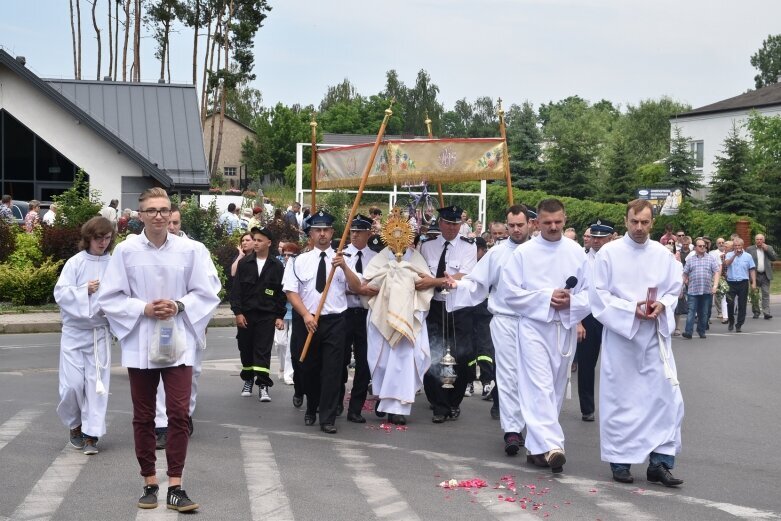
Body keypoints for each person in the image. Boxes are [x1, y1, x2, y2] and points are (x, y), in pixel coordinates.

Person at [98, 187, 221, 512]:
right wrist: (143, 309)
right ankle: (149, 480)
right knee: (144, 416)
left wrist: (180, 305)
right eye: (151, 210)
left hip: (177, 342)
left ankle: (176, 485)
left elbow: (207, 292)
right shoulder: (126, 252)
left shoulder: (190, 250)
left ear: (171, 214)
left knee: (179, 413)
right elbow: (109, 296)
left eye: (163, 210)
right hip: (141, 341)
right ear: (140, 216)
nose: (158, 215)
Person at [591, 198, 685, 487]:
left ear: (652, 222)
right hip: (623, 338)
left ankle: (660, 463)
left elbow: (673, 289)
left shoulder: (662, 254)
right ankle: (621, 461)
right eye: (635, 221)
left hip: (654, 336)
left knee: (666, 400)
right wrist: (632, 308)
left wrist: (662, 306)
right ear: (626, 220)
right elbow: (599, 296)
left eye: (645, 222)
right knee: (623, 401)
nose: (640, 227)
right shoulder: (608, 253)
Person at [501, 198, 590, 473]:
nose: (553, 227)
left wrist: (571, 304)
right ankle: (554, 446)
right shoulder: (524, 254)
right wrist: (545, 298)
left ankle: (537, 449)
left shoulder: (576, 252)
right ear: (536, 223)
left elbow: (592, 294)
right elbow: (509, 293)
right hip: (534, 327)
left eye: (558, 222)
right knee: (538, 385)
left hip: (563, 327)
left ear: (565, 220)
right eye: (547, 222)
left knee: (554, 389)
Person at [447, 205, 531, 456]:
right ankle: (512, 430)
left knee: (535, 378)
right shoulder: (496, 253)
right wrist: (457, 284)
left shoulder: (541, 251)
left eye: (520, 225)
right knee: (507, 376)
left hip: (536, 323)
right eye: (511, 225)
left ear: (530, 225)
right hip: (505, 321)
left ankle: (537, 429)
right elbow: (477, 283)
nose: (516, 230)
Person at [283, 211, 361, 434]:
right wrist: (306, 315)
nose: (322, 234)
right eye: (318, 230)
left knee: (332, 371)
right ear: (310, 234)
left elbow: (357, 288)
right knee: (308, 368)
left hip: (335, 321)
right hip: (307, 320)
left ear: (332, 233)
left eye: (326, 230)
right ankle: (312, 407)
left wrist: (344, 267)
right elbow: (291, 291)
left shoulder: (341, 259)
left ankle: (327, 418)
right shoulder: (299, 261)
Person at [363, 213, 434, 425]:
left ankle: (398, 409)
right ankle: (383, 398)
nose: (398, 240)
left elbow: (426, 283)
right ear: (387, 237)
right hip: (383, 317)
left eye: (402, 235)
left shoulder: (416, 258)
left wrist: (411, 278)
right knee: (382, 362)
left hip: (409, 317)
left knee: (404, 363)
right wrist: (388, 275)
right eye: (394, 235)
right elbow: (369, 282)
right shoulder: (381, 258)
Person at [54, 216, 115, 455]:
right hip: (74, 332)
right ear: (88, 237)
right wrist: (84, 290)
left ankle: (91, 435)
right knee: (72, 385)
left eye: (107, 238)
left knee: (96, 387)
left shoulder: (114, 263)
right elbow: (61, 292)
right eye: (98, 238)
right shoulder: (75, 263)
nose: (103, 243)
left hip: (99, 333)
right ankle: (75, 425)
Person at [417, 205, 477, 423]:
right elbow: (419, 275)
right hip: (435, 306)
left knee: (460, 356)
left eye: (456, 224)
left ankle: (454, 401)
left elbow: (464, 275)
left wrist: (435, 281)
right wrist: (437, 282)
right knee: (434, 353)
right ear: (440, 223)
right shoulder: (427, 246)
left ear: (461, 225)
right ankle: (439, 405)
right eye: (448, 223)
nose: (452, 228)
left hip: (458, 307)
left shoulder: (468, 247)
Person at [231, 227, 287, 401]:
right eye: (254, 239)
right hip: (246, 315)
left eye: (259, 240)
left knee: (263, 350)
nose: (255, 243)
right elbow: (236, 291)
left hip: (266, 315)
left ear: (269, 243)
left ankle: (263, 385)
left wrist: (279, 316)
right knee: (246, 349)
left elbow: (281, 293)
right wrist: (238, 313)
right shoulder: (244, 263)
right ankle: (248, 380)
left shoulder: (277, 266)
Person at [338, 215, 377, 423]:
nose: (354, 234)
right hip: (344, 312)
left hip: (366, 314)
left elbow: (376, 286)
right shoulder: (340, 255)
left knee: (364, 362)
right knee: (339, 359)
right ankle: (336, 401)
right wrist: (359, 288)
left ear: (368, 234)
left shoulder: (376, 257)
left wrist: (359, 289)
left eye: (359, 231)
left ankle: (356, 407)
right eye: (352, 231)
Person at [575, 219, 613, 423]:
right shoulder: (581, 259)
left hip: (612, 317)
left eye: (601, 238)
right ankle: (587, 408)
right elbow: (576, 292)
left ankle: (615, 407)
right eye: (594, 237)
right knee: (587, 365)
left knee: (615, 364)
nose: (597, 241)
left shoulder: (618, 259)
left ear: (611, 237)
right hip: (588, 317)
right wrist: (578, 321)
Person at [682, 238, 720, 339]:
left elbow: (716, 272)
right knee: (691, 312)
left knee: (704, 313)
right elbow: (685, 273)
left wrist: (715, 286)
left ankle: (701, 330)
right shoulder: (690, 259)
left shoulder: (710, 258)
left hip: (706, 290)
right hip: (693, 291)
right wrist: (682, 285)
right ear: (695, 247)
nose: (703, 247)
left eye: (704, 246)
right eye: (700, 246)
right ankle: (688, 332)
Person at [275, 242, 300, 386]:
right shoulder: (278, 268)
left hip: (295, 311)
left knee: (291, 343)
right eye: (284, 254)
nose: (287, 257)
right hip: (280, 312)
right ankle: (282, 366)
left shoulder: (299, 269)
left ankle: (289, 373)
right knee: (280, 343)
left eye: (290, 255)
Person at [723, 237, 756, 333]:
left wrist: (753, 282)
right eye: (735, 245)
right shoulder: (729, 254)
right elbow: (726, 264)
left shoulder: (748, 256)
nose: (737, 247)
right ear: (733, 246)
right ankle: (731, 321)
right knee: (730, 303)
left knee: (742, 304)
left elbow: (752, 269)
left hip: (743, 282)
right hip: (731, 282)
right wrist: (734, 255)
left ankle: (739, 324)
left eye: (739, 245)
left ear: (742, 246)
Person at [747, 234, 776, 320]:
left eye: (761, 239)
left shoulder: (769, 247)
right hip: (754, 274)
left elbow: (774, 258)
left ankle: (766, 312)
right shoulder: (750, 249)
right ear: (755, 240)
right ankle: (756, 312)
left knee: (765, 294)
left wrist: (767, 250)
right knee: (755, 294)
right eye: (757, 239)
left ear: (763, 240)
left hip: (765, 274)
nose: (759, 241)